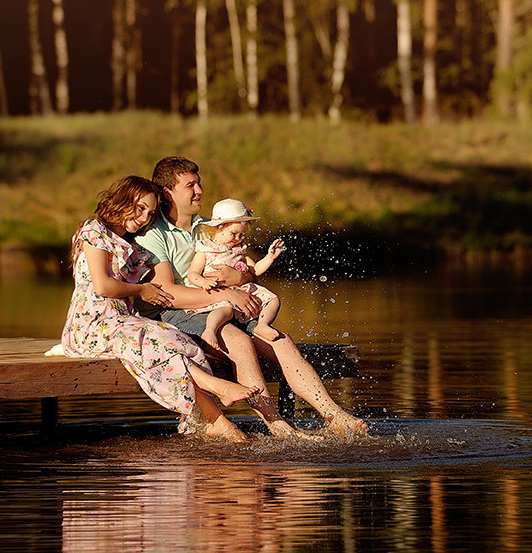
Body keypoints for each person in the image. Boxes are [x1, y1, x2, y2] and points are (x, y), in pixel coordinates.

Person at [135, 156, 368, 438]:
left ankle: (335, 416)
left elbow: (247, 271)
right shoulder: (152, 235)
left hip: (222, 304)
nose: (199, 191)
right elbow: (165, 294)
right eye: (190, 185)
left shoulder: (211, 227)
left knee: (280, 341)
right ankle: (278, 426)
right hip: (175, 313)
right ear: (168, 192)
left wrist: (240, 279)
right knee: (240, 342)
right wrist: (228, 293)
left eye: (199, 183)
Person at [58, 175, 259, 442]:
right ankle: (216, 389)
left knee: (174, 338)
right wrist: (142, 290)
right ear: (122, 200)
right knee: (151, 339)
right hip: (91, 324)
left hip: (122, 319)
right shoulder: (94, 231)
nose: (144, 218)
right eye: (140, 208)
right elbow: (103, 286)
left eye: (150, 213)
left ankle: (217, 422)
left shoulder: (129, 242)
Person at [186, 198, 286, 348]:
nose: (238, 238)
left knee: (273, 299)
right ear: (218, 228)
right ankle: (210, 330)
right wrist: (204, 282)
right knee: (225, 310)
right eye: (234, 233)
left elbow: (255, 270)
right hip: (218, 292)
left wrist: (270, 257)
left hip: (241, 290)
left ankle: (262, 325)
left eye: (242, 235)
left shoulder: (239, 251)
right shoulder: (206, 250)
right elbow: (193, 274)